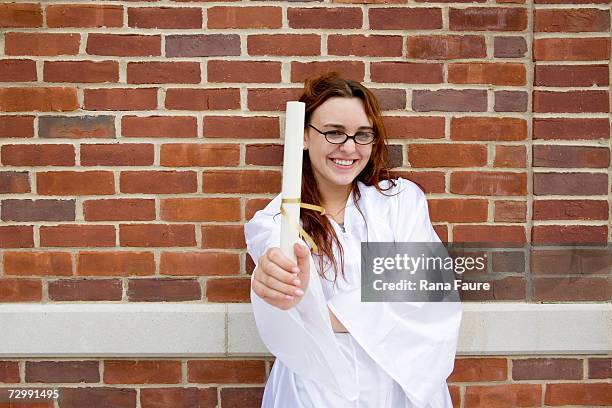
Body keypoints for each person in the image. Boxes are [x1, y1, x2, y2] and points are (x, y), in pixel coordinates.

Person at [243, 72, 463, 408]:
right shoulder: (276, 221)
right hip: (316, 391)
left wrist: (320, 312)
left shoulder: (400, 202)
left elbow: (430, 293)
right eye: (333, 133)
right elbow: (287, 303)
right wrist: (274, 285)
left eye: (362, 135)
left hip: (398, 386)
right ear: (303, 136)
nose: (349, 147)